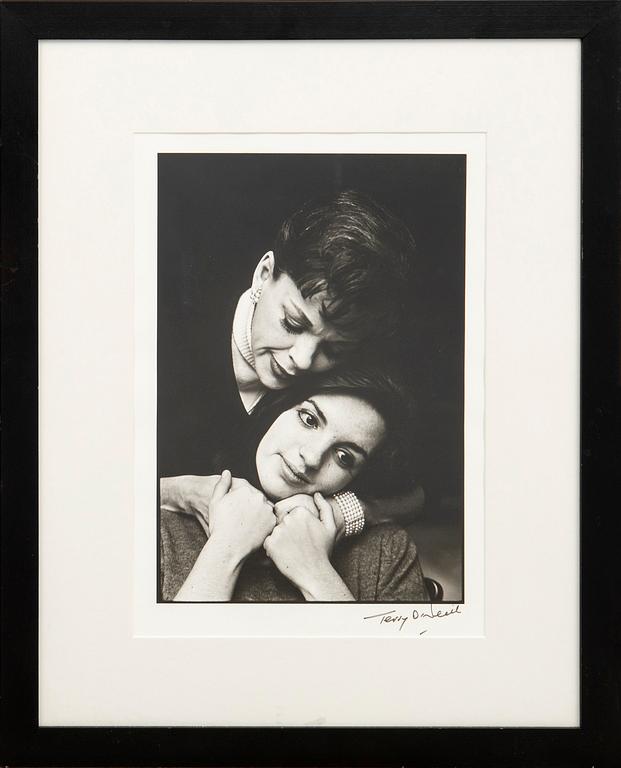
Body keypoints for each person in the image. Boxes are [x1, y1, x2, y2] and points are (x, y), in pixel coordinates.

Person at [160, 190, 422, 541]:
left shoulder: (348, 380)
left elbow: (416, 493)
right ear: (264, 274)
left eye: (334, 347)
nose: (303, 360)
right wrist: (176, 491)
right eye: (293, 323)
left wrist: (343, 513)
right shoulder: (165, 337)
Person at [160, 370, 428, 602]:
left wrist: (316, 573)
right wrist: (227, 546)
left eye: (344, 457)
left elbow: (389, 662)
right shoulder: (161, 526)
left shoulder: (387, 552)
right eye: (309, 420)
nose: (311, 458)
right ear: (277, 407)